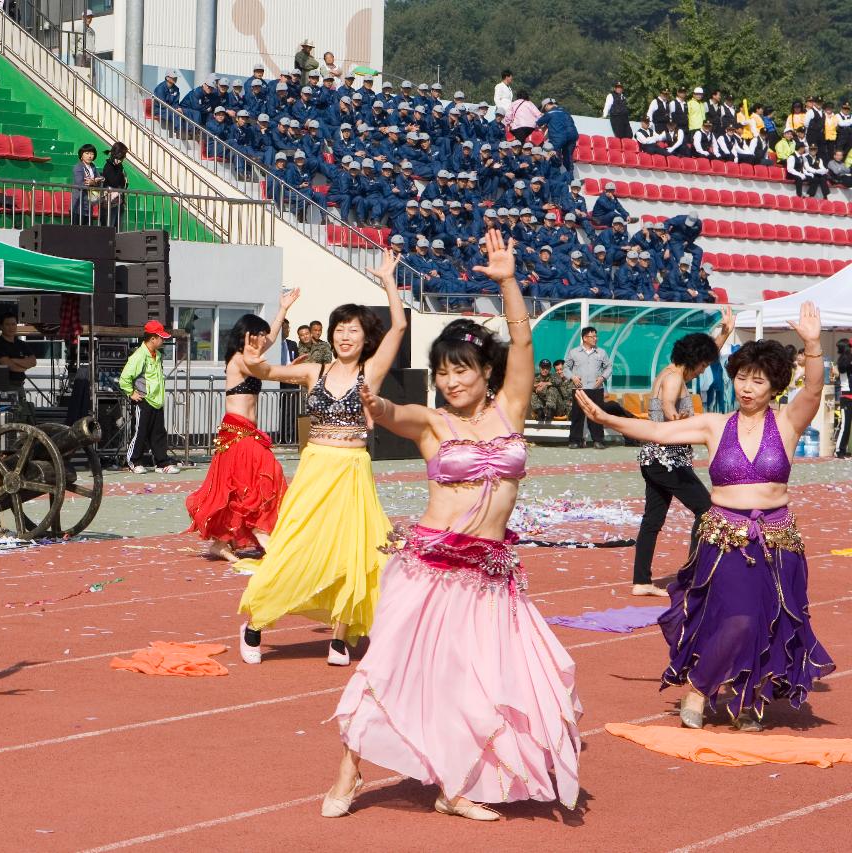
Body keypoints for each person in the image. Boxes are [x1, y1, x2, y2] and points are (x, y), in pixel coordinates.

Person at [325, 230, 581, 822]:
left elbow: (522, 340)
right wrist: (373, 402)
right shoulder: (431, 424)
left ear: (484, 372)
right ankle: (349, 769)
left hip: (490, 577)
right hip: (431, 571)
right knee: (391, 669)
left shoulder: (510, 408)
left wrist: (508, 281)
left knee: (476, 684)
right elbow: (391, 412)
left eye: (462, 370)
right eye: (443, 372)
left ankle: (455, 786)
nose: (452, 381)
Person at [575, 303, 834, 731]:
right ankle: (699, 687)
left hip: (777, 540)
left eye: (758, 380)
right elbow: (659, 431)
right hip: (725, 538)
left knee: (768, 622)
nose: (746, 388)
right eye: (741, 378)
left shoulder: (789, 422)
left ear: (774, 385)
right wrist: (608, 418)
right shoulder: (715, 425)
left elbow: (814, 389)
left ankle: (751, 700)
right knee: (736, 617)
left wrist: (811, 345)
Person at [234, 252, 406, 666]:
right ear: (332, 335)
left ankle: (340, 639)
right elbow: (259, 369)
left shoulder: (372, 371)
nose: (347, 336)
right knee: (294, 546)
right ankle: (256, 623)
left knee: (355, 552)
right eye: (341, 330)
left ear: (366, 338)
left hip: (353, 471)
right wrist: (276, 321)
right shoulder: (315, 370)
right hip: (316, 468)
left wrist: (387, 281)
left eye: (354, 330)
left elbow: (400, 325)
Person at [185, 290, 298, 563]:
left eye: (262, 336)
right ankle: (261, 530)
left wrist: (282, 309)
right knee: (270, 471)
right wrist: (290, 370)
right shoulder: (239, 360)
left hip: (246, 432)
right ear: (247, 336)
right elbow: (262, 368)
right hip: (237, 431)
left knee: (240, 486)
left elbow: (269, 342)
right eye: (257, 335)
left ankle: (220, 544)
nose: (263, 339)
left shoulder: (250, 357)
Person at [629, 311, 734, 598]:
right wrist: (681, 420)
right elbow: (667, 407)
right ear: (693, 361)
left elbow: (706, 354)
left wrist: (724, 333)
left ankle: (641, 581)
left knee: (652, 520)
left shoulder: (669, 370)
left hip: (654, 459)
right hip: (667, 461)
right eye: (702, 366)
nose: (703, 371)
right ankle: (693, 576)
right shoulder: (675, 378)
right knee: (707, 510)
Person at [120, 319, 179, 474]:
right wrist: (131, 393)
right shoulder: (139, 355)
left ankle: (162, 463)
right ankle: (134, 461)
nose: (164, 341)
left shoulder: (157, 355)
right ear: (153, 338)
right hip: (144, 400)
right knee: (141, 432)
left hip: (157, 401)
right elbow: (125, 377)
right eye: (161, 338)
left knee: (158, 433)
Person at [564, 326, 610, 449]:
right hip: (579, 389)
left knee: (596, 415)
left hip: (596, 389)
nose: (596, 338)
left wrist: (602, 378)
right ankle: (575, 441)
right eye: (592, 336)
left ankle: (598, 440)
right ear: (585, 338)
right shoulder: (574, 352)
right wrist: (572, 377)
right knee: (577, 415)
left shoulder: (602, 352)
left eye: (596, 336)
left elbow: (609, 367)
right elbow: (566, 368)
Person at [0, 310, 35, 389]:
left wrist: (13, 360)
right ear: (1, 326)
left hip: (20, 385)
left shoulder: (22, 344)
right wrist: (24, 366)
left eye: (13, 324)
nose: (11, 327)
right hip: (4, 386)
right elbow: (11, 367)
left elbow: (33, 362)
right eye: (7, 324)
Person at [71, 143, 104, 225]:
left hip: (89, 205)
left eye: (92, 154)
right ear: (81, 155)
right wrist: (94, 182)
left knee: (88, 232)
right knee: (77, 231)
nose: (90, 156)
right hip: (78, 205)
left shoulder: (93, 167)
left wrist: (94, 182)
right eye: (87, 153)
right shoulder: (78, 167)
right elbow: (80, 184)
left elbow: (100, 180)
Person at [101, 141, 128, 229]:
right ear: (114, 155)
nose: (121, 160)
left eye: (123, 157)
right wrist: (122, 176)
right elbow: (114, 182)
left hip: (119, 200)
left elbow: (124, 184)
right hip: (109, 201)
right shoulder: (108, 166)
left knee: (118, 228)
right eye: (120, 157)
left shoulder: (120, 166)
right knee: (109, 227)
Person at [836, 339, 852, 459]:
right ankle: (839, 451)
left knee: (846, 426)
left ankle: (843, 450)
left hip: (848, 396)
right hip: (847, 397)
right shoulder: (844, 361)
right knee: (845, 426)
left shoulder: (845, 360)